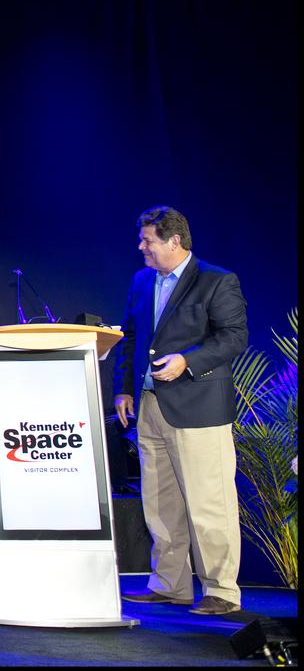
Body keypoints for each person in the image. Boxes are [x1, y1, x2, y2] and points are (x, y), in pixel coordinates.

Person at [113, 206, 247, 616]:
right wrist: (124, 390)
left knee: (210, 503)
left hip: (198, 407)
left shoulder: (216, 280)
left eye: (148, 240)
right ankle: (170, 583)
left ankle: (221, 590)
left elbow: (234, 338)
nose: (141, 247)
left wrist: (188, 361)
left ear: (174, 241)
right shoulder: (141, 281)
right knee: (159, 501)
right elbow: (131, 337)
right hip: (151, 406)